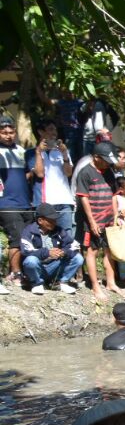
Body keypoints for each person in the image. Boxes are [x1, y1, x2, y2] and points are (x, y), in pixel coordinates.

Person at [77, 141, 124, 301]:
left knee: (109, 251)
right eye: (105, 160)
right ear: (96, 157)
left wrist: (116, 216)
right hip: (94, 220)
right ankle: (95, 287)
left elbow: (113, 195)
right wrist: (92, 222)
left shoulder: (109, 171)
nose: (108, 163)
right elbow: (84, 199)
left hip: (109, 219)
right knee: (92, 252)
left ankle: (111, 282)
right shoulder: (85, 173)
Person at [19, 202, 83, 295]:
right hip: (38, 267)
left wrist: (63, 252)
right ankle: (37, 283)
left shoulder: (59, 230)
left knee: (78, 258)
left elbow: (74, 245)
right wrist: (47, 253)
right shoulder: (29, 231)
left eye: (55, 220)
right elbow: (26, 251)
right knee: (30, 260)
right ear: (40, 220)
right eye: (51, 220)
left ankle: (60, 282)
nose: (54, 222)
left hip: (54, 266)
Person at [1, 115, 33, 293]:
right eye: (4, 132)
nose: (8, 135)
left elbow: (28, 173)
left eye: (11, 132)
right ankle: (15, 273)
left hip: (25, 202)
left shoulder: (21, 150)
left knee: (28, 238)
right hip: (5, 203)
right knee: (17, 235)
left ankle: (24, 271)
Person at [28, 118, 76, 234]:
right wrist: (39, 153)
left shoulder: (62, 151)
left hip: (64, 201)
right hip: (45, 203)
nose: (54, 133)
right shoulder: (31, 153)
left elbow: (68, 173)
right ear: (40, 132)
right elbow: (40, 173)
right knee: (46, 238)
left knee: (67, 237)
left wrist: (64, 154)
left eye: (55, 130)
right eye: (50, 129)